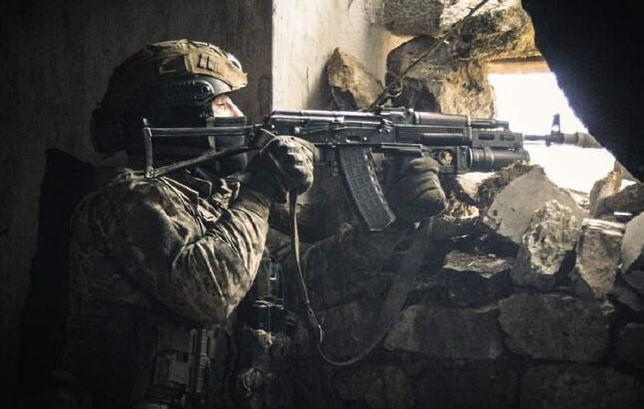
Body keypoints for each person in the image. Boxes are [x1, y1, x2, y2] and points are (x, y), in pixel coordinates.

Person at [65, 38, 447, 409]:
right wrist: (261, 190)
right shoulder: (129, 199)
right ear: (180, 113)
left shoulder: (220, 197)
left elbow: (303, 280)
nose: (238, 114)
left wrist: (394, 222)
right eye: (222, 103)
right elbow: (212, 295)